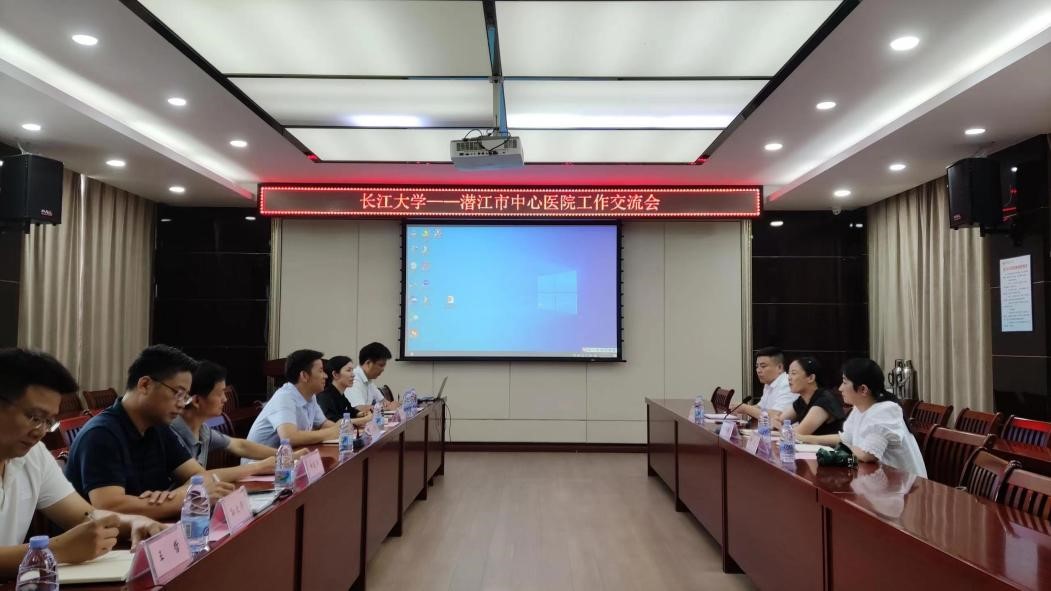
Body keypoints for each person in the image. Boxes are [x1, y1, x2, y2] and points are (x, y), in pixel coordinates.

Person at [0, 349, 165, 578]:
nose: (40, 432)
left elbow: (84, 515)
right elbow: (63, 544)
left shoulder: (34, 455)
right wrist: (55, 550)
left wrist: (135, 521)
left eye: (49, 422)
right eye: (35, 417)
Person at [65, 345, 235, 520]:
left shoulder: (158, 427)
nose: (182, 404)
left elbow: (200, 476)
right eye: (178, 393)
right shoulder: (100, 434)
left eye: (185, 397)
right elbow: (111, 507)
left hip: (154, 529)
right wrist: (184, 498)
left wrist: (173, 497)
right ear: (145, 385)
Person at [796, 358, 927, 477]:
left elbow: (868, 455)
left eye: (844, 382)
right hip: (878, 480)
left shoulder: (885, 410)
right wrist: (805, 438)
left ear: (863, 389)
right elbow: (845, 438)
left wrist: (839, 449)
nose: (840, 388)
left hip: (905, 487)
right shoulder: (859, 408)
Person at [171, 361, 288, 478]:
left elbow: (239, 446)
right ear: (196, 401)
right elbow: (201, 477)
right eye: (220, 394)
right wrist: (258, 467)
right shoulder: (171, 434)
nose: (225, 399)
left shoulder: (202, 430)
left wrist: (284, 455)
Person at [245, 349, 341, 450]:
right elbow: (289, 438)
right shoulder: (284, 397)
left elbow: (323, 424)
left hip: (287, 456)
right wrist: (330, 433)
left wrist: (343, 430)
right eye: (321, 371)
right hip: (261, 459)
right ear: (304, 376)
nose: (326, 376)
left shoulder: (310, 396)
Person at [772, 357, 845, 436]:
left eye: (793, 373)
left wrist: (780, 428)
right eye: (789, 373)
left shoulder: (824, 400)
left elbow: (798, 434)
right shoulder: (802, 400)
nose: (789, 378)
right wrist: (778, 425)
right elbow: (778, 421)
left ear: (811, 378)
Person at [736, 347, 797, 420]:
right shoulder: (769, 383)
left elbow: (776, 416)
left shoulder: (787, 384)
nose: (758, 370)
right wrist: (737, 409)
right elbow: (760, 407)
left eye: (763, 366)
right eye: (757, 366)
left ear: (780, 367)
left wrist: (745, 408)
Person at [316, 356, 373, 426]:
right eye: (348, 370)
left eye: (352, 370)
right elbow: (332, 421)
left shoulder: (341, 394)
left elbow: (351, 411)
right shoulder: (324, 396)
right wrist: (363, 420)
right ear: (335, 374)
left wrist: (362, 414)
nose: (353, 375)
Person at [346, 342, 396, 411]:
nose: (383, 369)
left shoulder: (369, 380)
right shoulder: (353, 379)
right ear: (368, 363)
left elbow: (384, 402)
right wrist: (387, 408)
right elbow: (359, 409)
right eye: (381, 365)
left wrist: (392, 405)